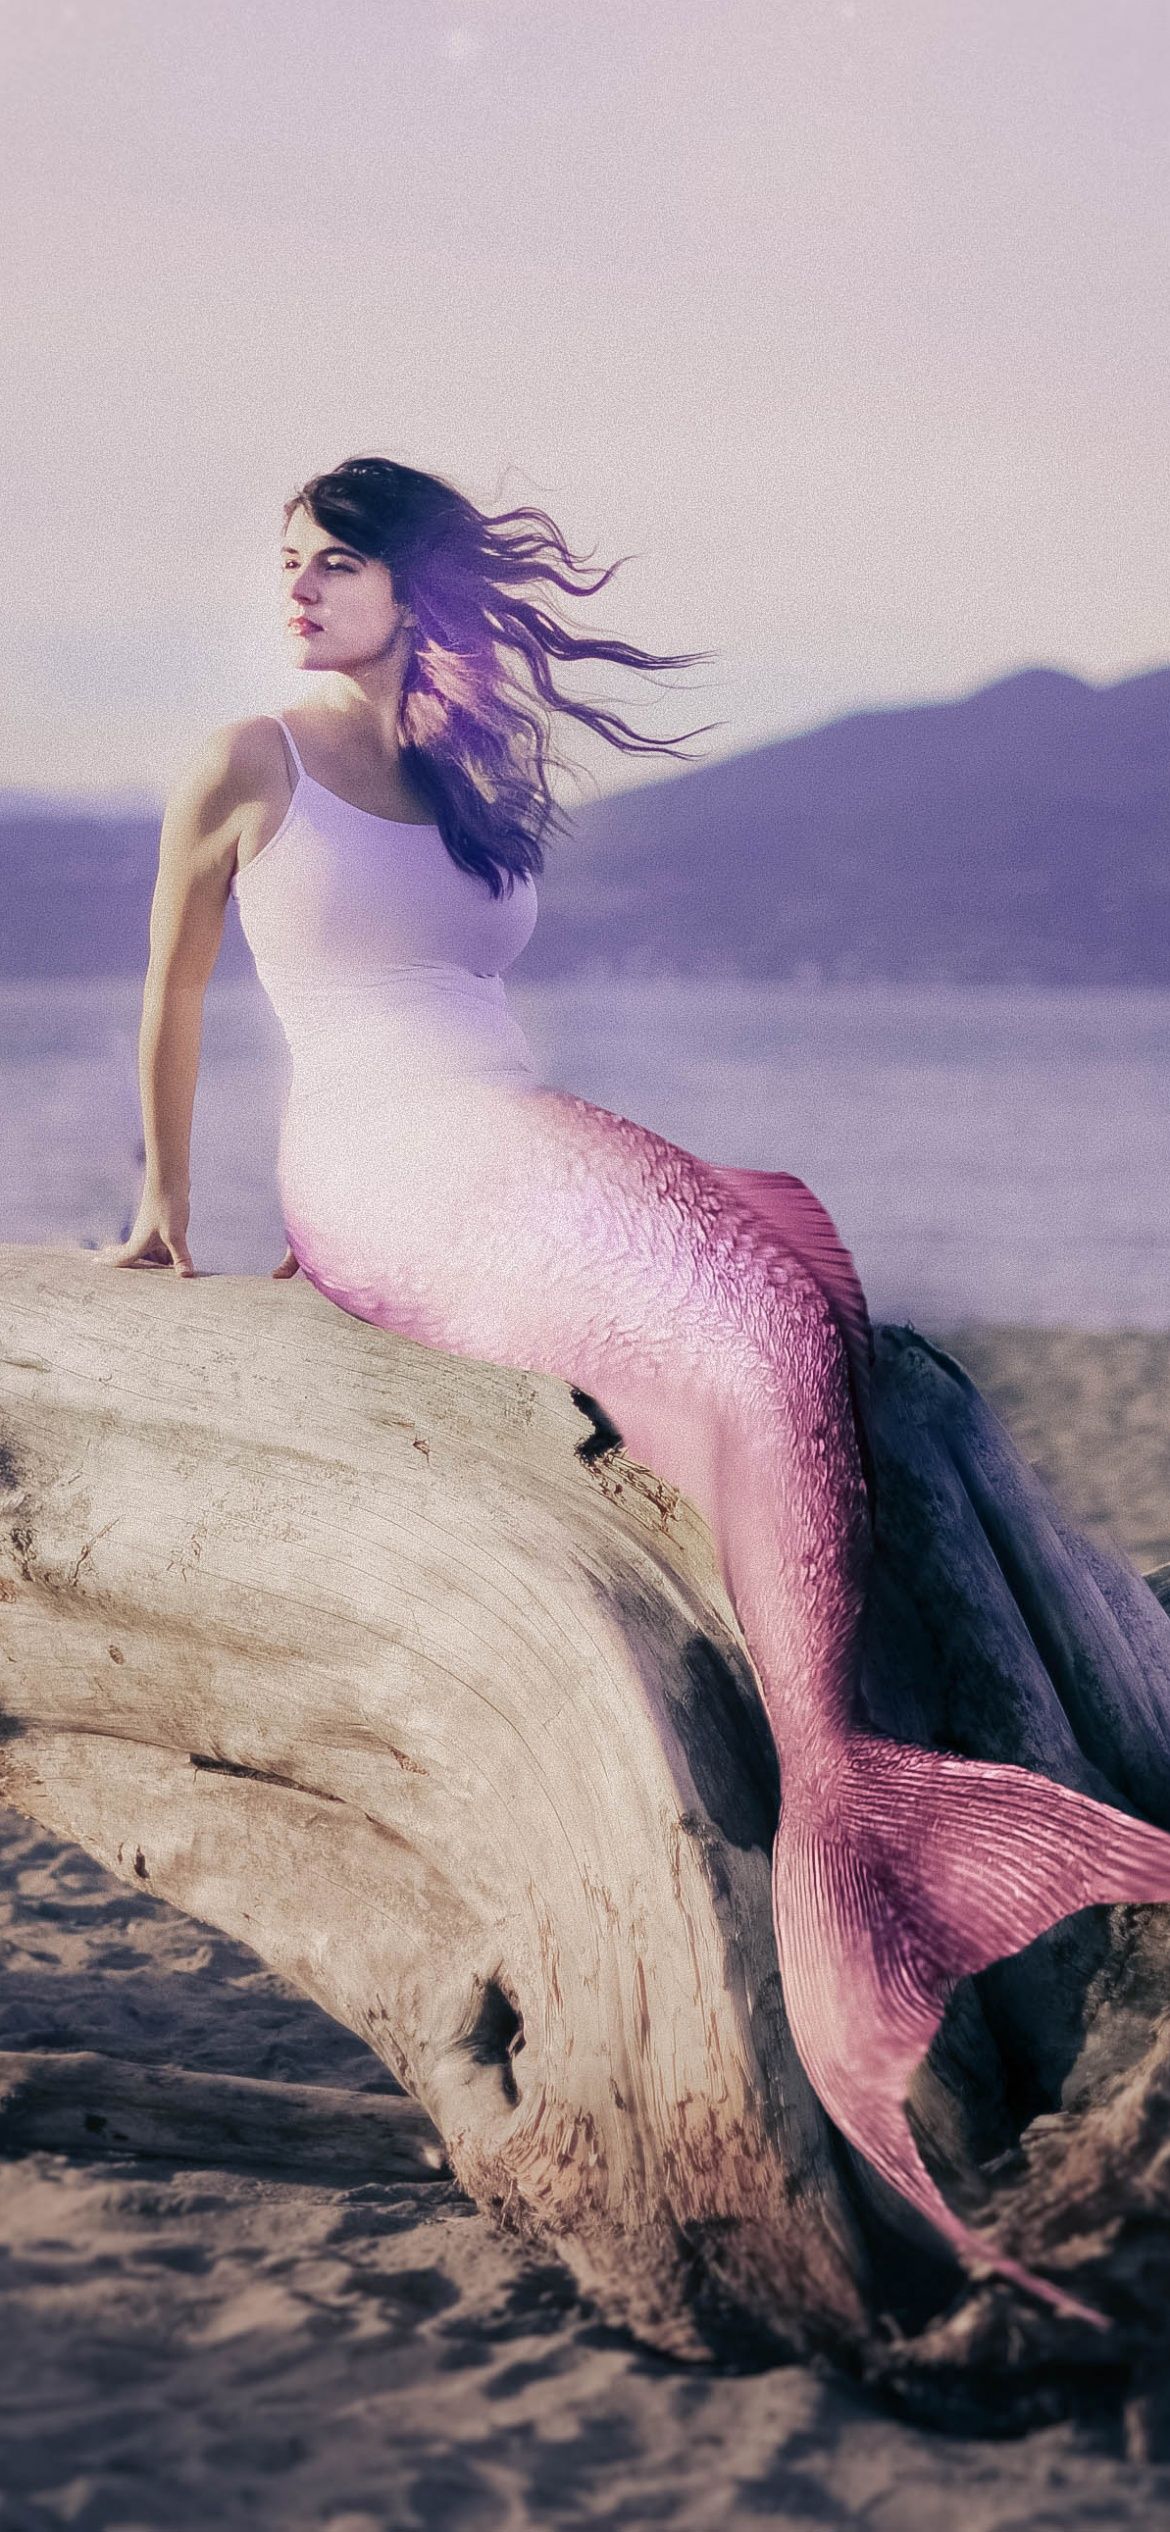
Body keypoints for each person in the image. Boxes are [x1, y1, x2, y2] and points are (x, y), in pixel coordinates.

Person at [97, 453, 1170, 2326]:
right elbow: (178, 994)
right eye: (283, 561)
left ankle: (860, 1792)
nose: (293, 585)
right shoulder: (248, 762)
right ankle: (865, 1847)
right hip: (378, 1157)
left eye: (332, 560)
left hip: (502, 1134)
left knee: (784, 1298)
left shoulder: (465, 776)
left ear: (411, 584)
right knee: (744, 1301)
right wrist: (161, 1212)